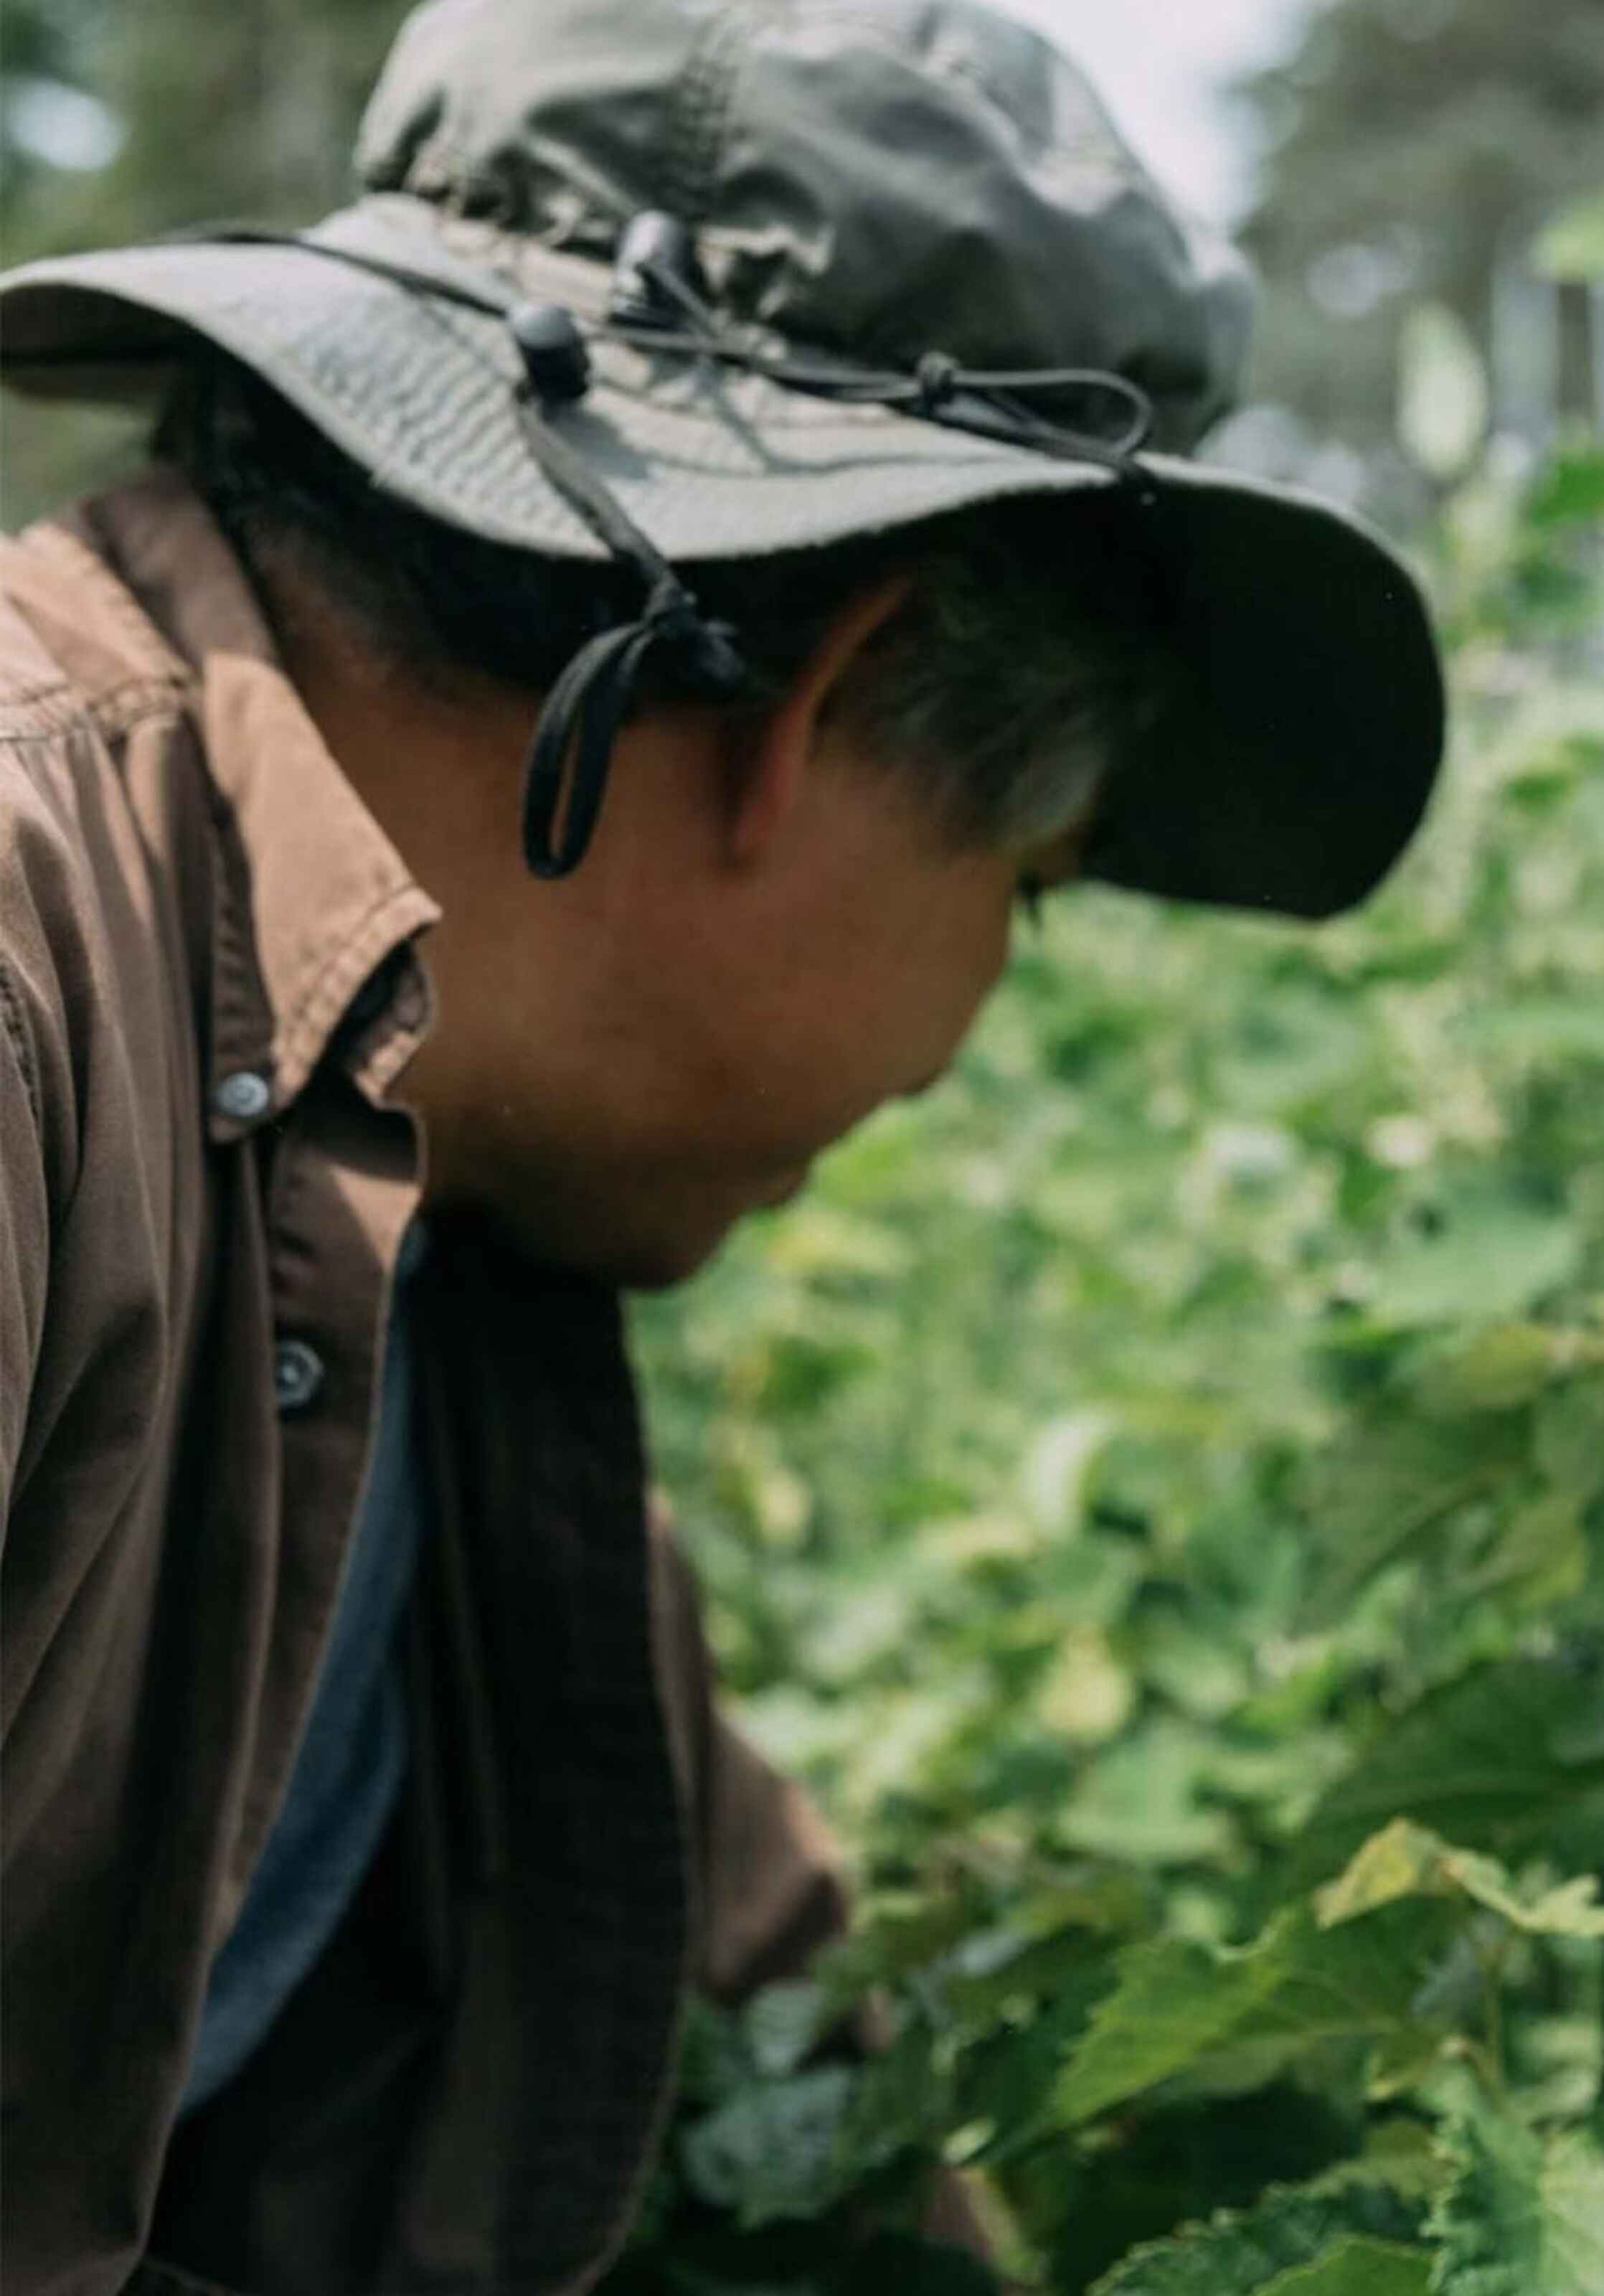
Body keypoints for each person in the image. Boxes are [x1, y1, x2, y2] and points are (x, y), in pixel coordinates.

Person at [0, 0, 1443, 2287]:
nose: (975, 1030)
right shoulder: (30, 989)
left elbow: (779, 2034)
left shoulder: (435, 1220)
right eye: (1036, 886)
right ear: (837, 705)